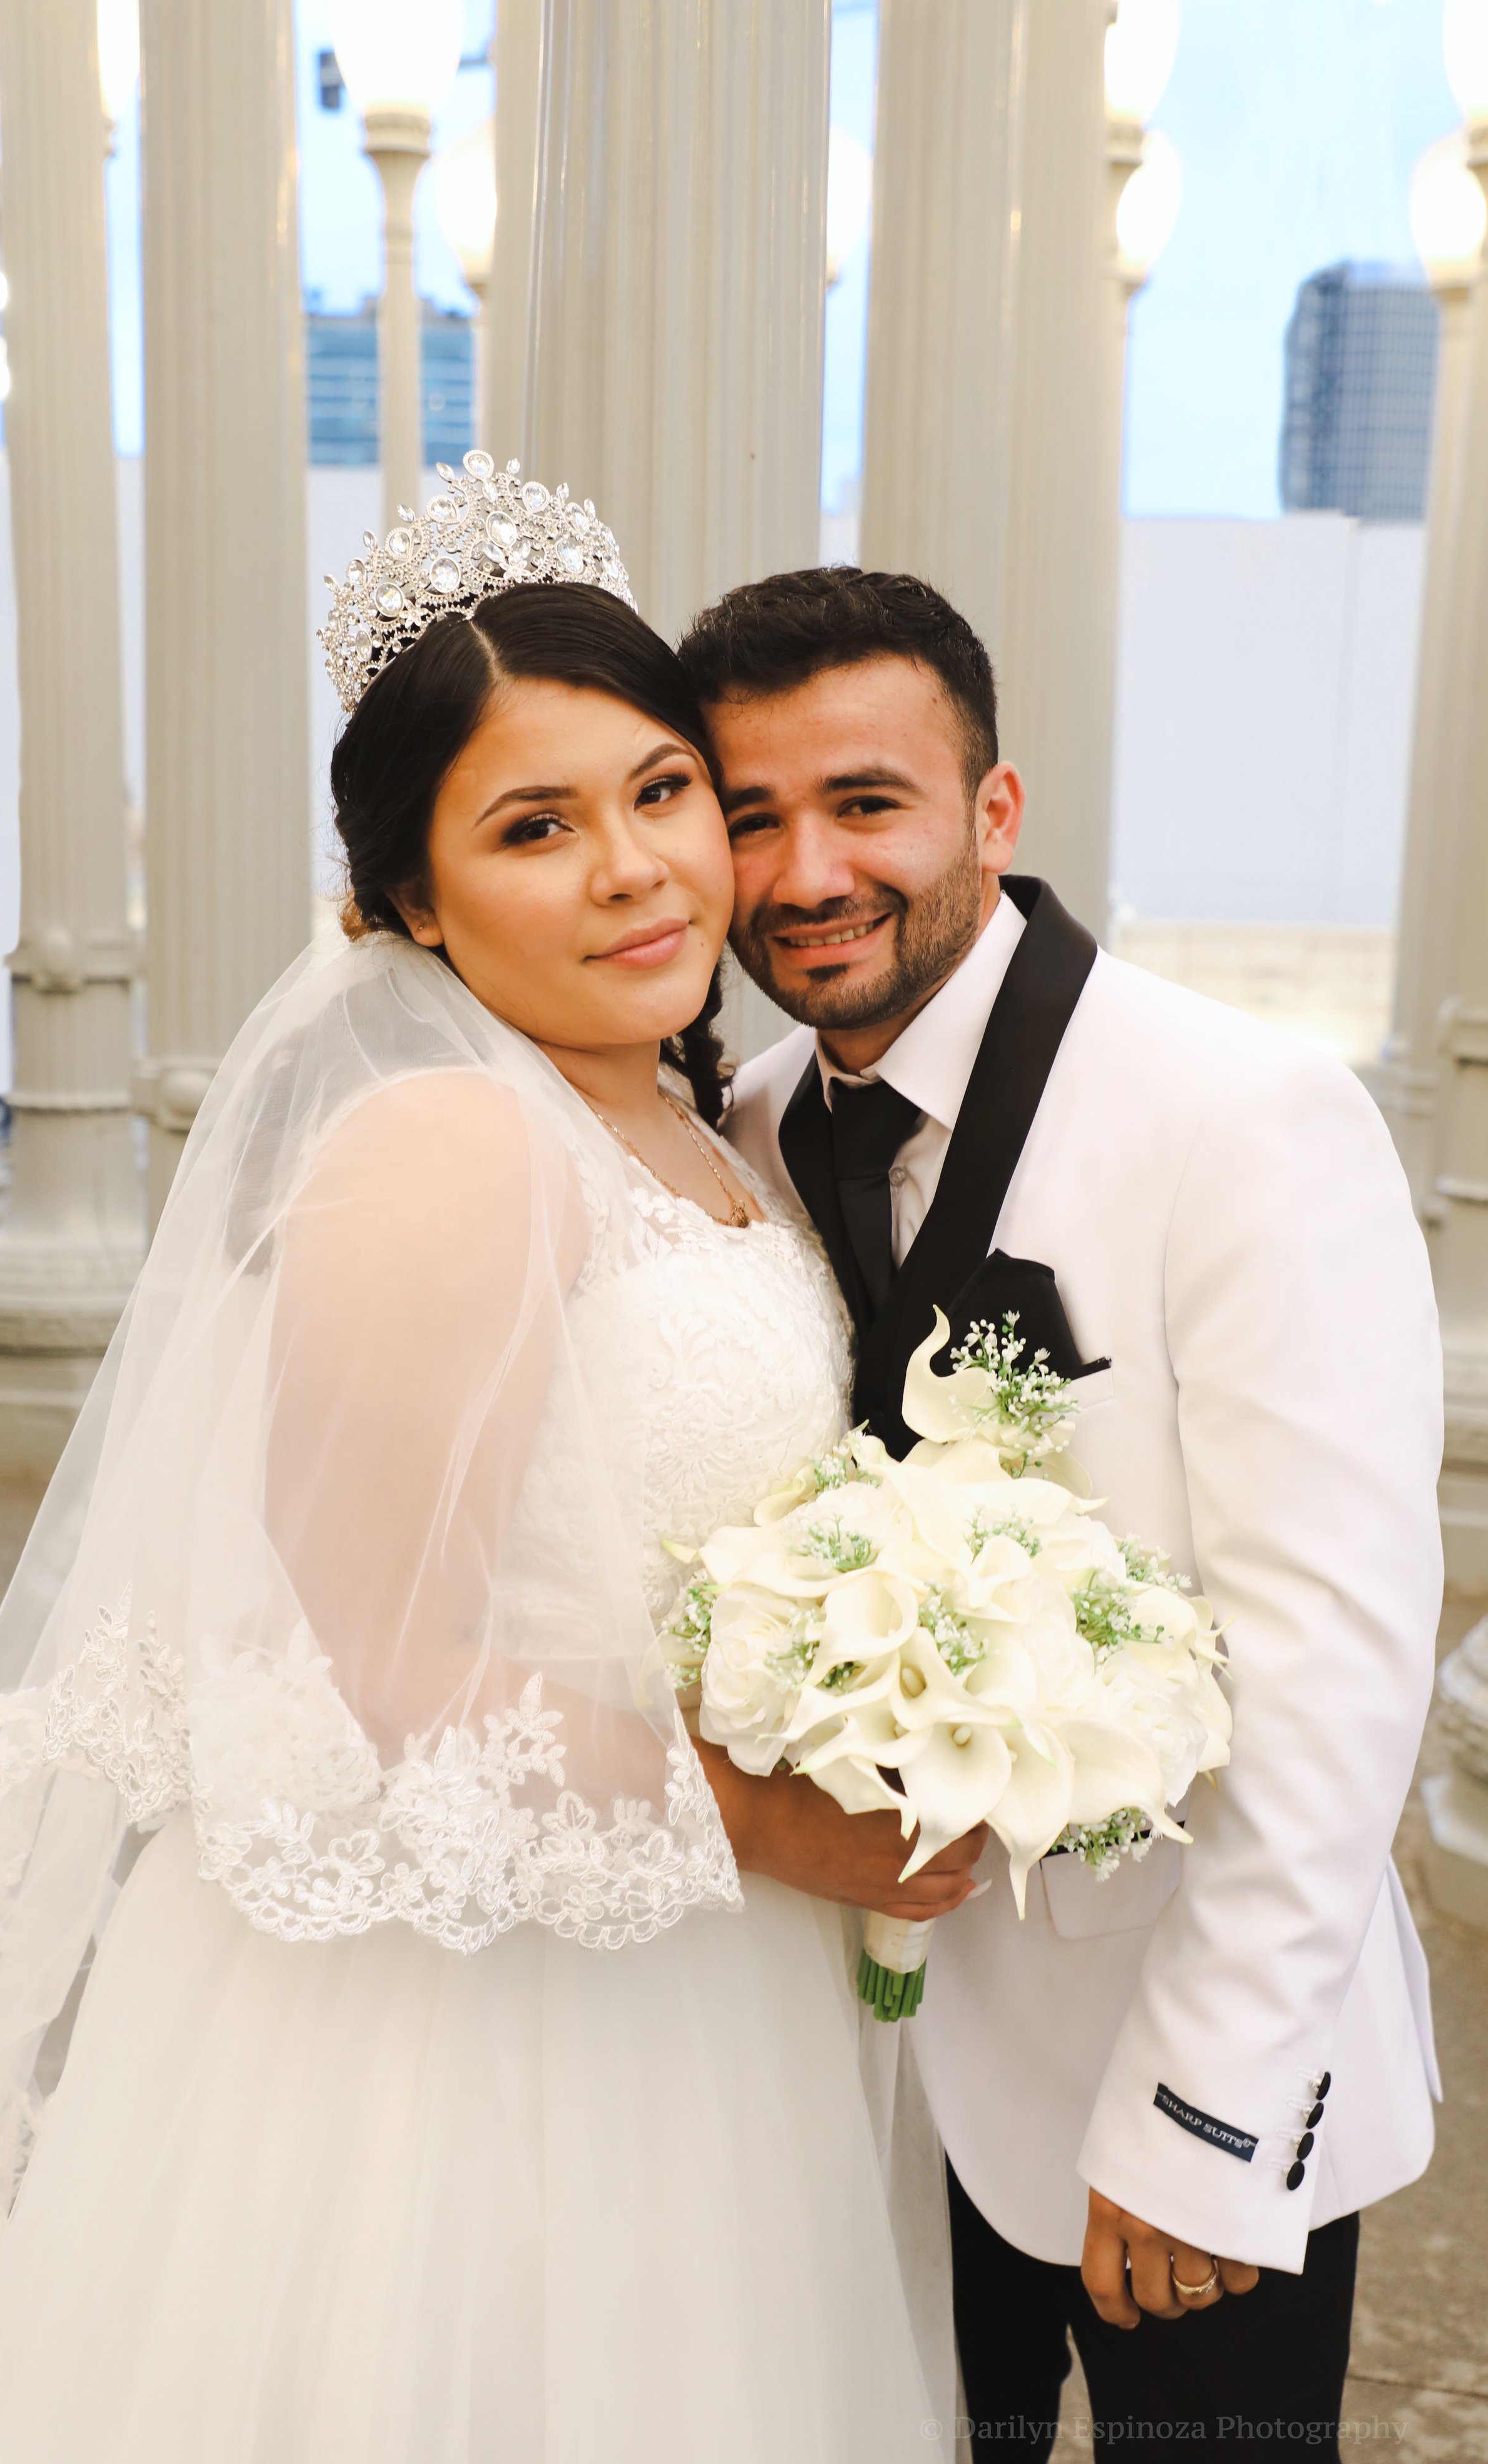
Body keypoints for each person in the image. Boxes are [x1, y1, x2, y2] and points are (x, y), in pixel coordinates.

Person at [0, 471, 975, 2463]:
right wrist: (778, 1821)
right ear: (403, 904)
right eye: (532, 829)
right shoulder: (449, 1148)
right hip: (472, 2015)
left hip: (705, 1966)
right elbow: (374, 1670)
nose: (637, 874)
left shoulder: (709, 1127)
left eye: (661, 793)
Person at [679, 566, 1443, 2463]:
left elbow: (1338, 1664)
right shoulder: (748, 1126)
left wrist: (1204, 2117)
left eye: (864, 804)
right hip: (853, 2072)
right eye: (751, 816)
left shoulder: (1243, 1112)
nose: (800, 875)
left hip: (1171, 2066)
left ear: (991, 812)